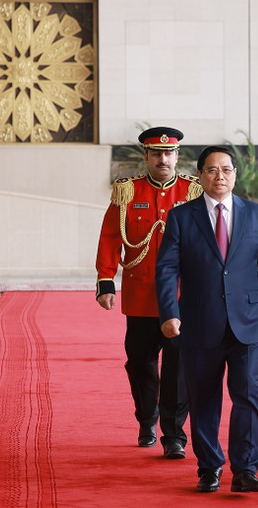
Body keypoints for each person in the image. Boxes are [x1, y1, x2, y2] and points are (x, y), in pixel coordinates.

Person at [155, 145, 258, 494]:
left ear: (235, 174)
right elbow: (167, 268)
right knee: (204, 399)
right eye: (212, 170)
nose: (220, 176)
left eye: (226, 170)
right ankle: (210, 466)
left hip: (247, 320)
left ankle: (245, 469)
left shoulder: (255, 213)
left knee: (248, 394)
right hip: (199, 321)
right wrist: (170, 312)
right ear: (199, 176)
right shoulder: (182, 217)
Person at [95, 126, 197, 458]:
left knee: (179, 365)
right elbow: (111, 236)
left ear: (177, 156)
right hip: (140, 296)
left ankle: (174, 434)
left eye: (169, 154)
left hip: (182, 298)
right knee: (140, 363)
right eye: (156, 153)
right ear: (146, 157)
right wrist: (106, 280)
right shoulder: (128, 191)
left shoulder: (192, 192)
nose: (163, 159)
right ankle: (146, 419)